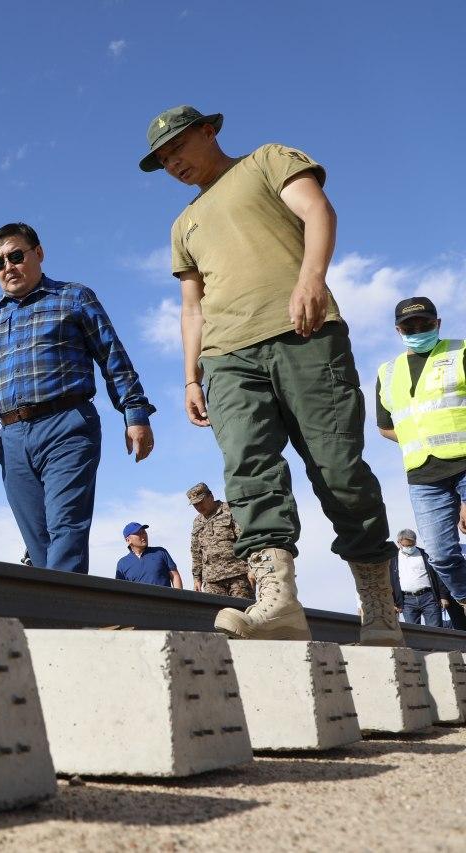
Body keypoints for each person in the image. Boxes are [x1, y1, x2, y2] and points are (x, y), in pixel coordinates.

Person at [142, 104, 400, 645]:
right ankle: (276, 600)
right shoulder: (182, 224)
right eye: (164, 160)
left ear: (210, 131)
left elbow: (318, 211)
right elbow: (193, 306)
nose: (174, 164)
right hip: (227, 356)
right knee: (248, 471)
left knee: (339, 472)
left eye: (179, 149)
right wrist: (190, 377)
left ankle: (378, 603)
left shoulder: (266, 161)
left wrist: (311, 279)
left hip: (305, 334)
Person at [0, 222, 156, 573]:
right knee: (37, 538)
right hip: (12, 437)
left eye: (16, 256)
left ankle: (64, 616)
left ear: (39, 253)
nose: (8, 267)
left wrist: (134, 412)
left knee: (66, 528)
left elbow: (113, 356)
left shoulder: (74, 297)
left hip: (67, 426)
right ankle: (62, 610)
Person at [375, 296, 466, 613]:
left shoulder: (460, 352)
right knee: (441, 555)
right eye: (409, 326)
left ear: (437, 324)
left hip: (465, 463)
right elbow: (385, 427)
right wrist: (421, 437)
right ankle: (465, 597)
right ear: (398, 330)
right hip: (424, 477)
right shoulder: (387, 372)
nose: (417, 329)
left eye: (424, 324)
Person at [187, 482, 252, 598]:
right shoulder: (197, 522)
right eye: (195, 504)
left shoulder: (230, 510)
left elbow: (245, 540)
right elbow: (196, 552)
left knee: (242, 613)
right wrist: (197, 579)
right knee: (216, 614)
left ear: (210, 496)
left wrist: (252, 568)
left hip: (238, 575)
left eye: (201, 502)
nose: (198, 507)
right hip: (212, 580)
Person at [388, 529, 449, 628]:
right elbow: (389, 581)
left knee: (435, 631)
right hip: (407, 601)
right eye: (405, 545)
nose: (409, 548)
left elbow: (438, 575)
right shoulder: (393, 559)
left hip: (429, 598)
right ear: (399, 543)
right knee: (413, 633)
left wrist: (443, 596)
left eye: (411, 545)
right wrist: (393, 601)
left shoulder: (426, 555)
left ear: (415, 542)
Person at [115, 522, 182, 589]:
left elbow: (175, 576)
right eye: (139, 533)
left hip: (164, 599)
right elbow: (120, 589)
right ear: (128, 540)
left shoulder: (160, 552)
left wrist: (178, 597)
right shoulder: (122, 563)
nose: (143, 535)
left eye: (144, 532)